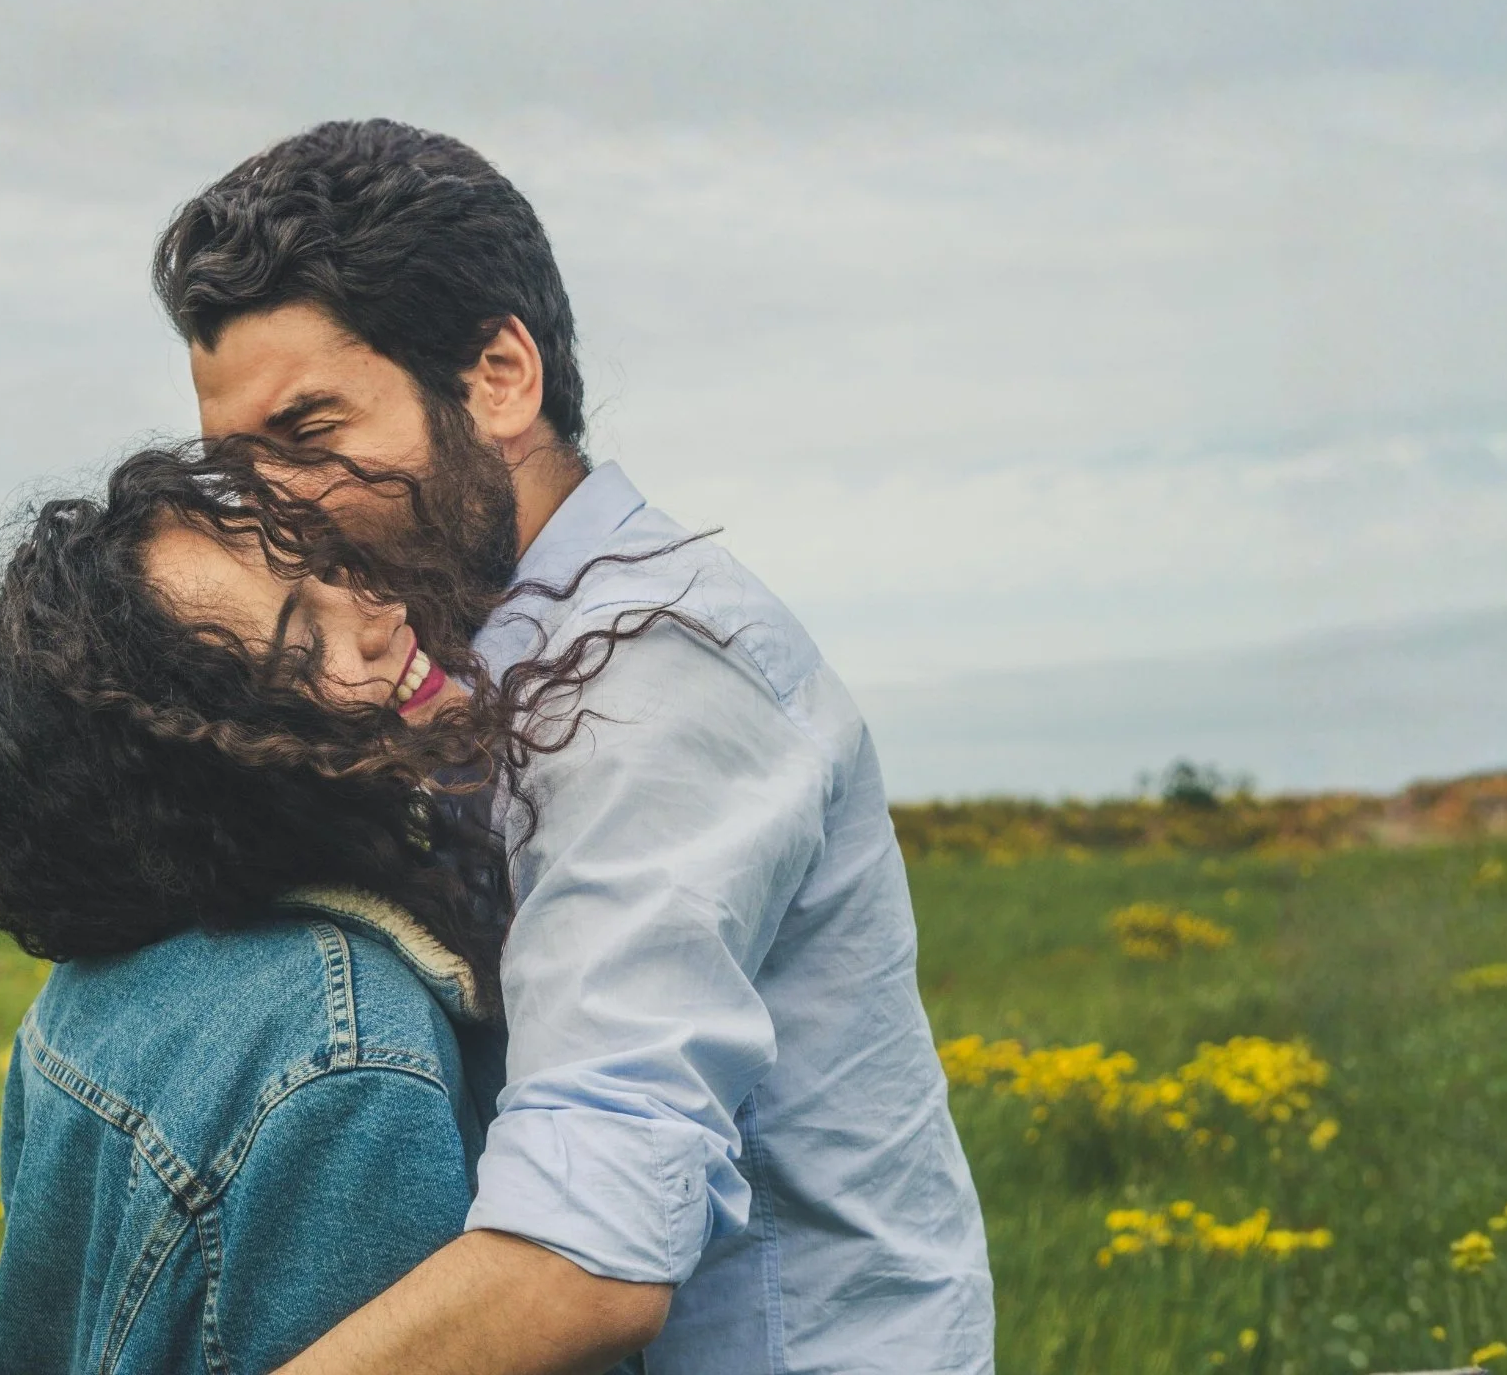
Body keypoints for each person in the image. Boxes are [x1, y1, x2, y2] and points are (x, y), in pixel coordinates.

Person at [157, 119, 997, 1373]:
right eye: (239, 468)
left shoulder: (650, 671)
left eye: (309, 429)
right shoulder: (465, 646)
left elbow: (590, 1253)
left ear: (500, 376)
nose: (277, 509)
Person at [0, 443, 662, 1372]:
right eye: (298, 644)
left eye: (323, 568)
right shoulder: (349, 1052)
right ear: (205, 779)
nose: (378, 612)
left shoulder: (84, 998)